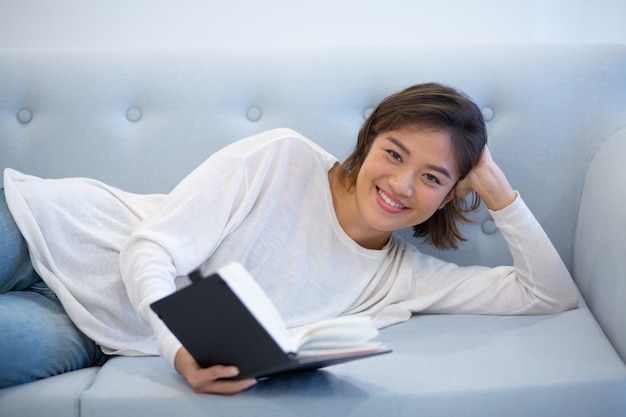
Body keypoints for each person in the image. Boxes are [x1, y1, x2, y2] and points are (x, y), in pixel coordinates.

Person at [0, 83, 579, 394]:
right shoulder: (283, 157)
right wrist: (178, 354)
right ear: (369, 140)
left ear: (452, 193)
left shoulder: (403, 278)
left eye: (432, 178)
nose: (400, 185)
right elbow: (150, 248)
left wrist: (499, 191)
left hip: (86, 330)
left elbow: (547, 295)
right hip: (51, 225)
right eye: (394, 154)